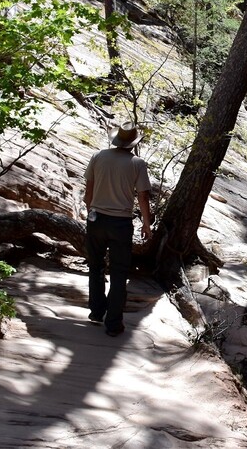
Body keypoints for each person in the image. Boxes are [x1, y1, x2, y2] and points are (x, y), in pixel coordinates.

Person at [83, 122, 152, 337]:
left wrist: (92, 212)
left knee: (95, 267)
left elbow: (88, 192)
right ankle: (113, 324)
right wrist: (147, 225)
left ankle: (96, 312)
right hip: (121, 223)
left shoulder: (98, 156)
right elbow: (142, 196)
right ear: (133, 144)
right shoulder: (137, 163)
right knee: (119, 273)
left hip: (96, 219)